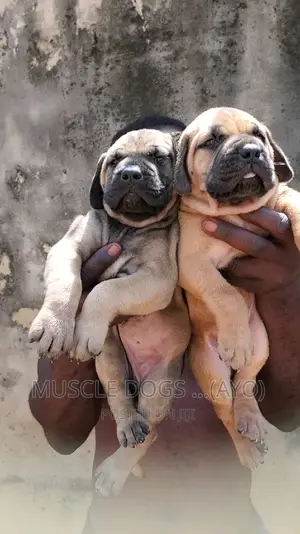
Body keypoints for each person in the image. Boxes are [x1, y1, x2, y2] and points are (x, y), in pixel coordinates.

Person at [29, 115, 300, 533]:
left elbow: (288, 411)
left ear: (188, 176)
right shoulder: (97, 252)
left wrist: (283, 293)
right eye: (120, 164)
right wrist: (80, 306)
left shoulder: (245, 263)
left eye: (161, 161)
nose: (137, 173)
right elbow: (60, 434)